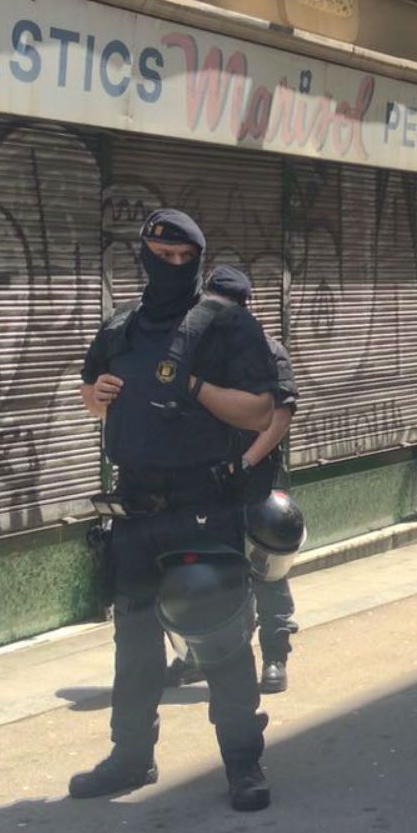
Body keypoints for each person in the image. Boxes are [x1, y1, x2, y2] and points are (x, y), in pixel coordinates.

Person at [74, 212, 285, 810]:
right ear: (142, 255)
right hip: (135, 507)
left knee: (221, 636)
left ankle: (243, 763)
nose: (169, 265)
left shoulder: (226, 325)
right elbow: (90, 391)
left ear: (197, 259)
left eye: (181, 258)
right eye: (159, 255)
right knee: (135, 644)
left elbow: (259, 410)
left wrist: (193, 387)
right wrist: (98, 395)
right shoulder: (121, 326)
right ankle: (131, 757)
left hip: (202, 501)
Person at [166, 266, 302, 694]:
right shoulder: (189, 349)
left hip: (252, 478)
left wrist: (244, 462)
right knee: (197, 569)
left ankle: (275, 655)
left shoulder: (265, 349)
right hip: (199, 482)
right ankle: (197, 656)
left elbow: (280, 414)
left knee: (265, 564)